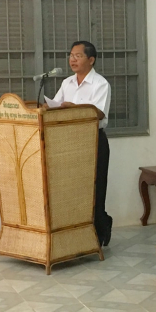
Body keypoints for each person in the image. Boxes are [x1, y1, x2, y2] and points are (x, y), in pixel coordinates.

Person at [48, 40, 113, 246]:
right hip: (68, 142)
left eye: (78, 56)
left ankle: (100, 230)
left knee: (95, 187)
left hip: (93, 140)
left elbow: (99, 113)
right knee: (74, 188)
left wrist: (74, 107)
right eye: (71, 55)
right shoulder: (67, 82)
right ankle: (76, 233)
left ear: (91, 60)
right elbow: (56, 106)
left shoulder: (100, 84)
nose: (72, 59)